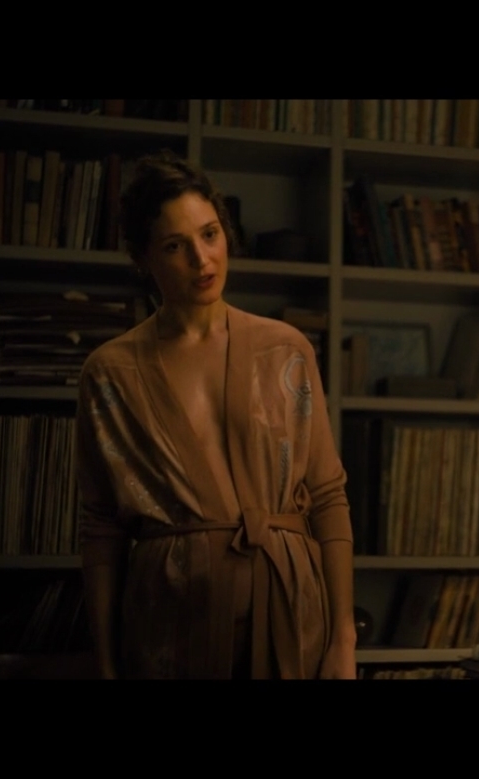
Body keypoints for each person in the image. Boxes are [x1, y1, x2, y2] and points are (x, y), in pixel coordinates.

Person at [75, 150, 356, 679]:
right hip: (169, 629)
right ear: (144, 258)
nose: (202, 260)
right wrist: (107, 665)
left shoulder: (286, 350)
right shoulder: (111, 372)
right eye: (175, 246)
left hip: (289, 620)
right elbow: (102, 528)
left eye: (210, 235)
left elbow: (327, 495)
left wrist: (343, 640)